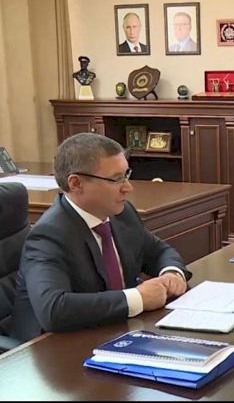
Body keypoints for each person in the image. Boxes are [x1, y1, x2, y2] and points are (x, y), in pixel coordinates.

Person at [10, 133, 190, 342]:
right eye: (116, 179)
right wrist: (138, 298)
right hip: (51, 347)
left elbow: (158, 251)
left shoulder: (121, 213)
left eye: (126, 175)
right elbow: (54, 309)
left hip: (113, 331)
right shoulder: (48, 236)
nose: (128, 187)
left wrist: (171, 273)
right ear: (76, 183)